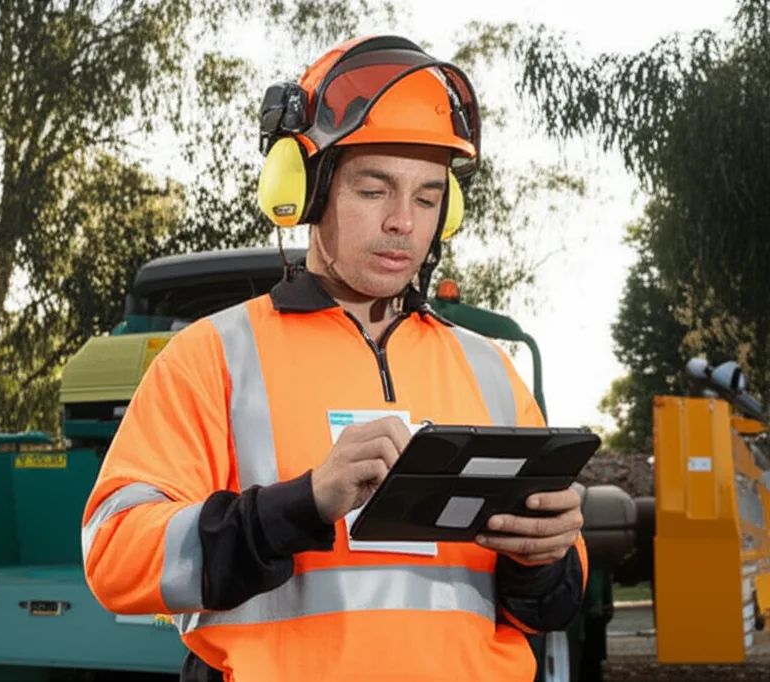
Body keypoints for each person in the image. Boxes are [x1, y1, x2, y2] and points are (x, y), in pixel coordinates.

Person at [80, 34, 588, 682]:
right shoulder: (211, 358)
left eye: (428, 197)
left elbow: (549, 606)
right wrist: (300, 505)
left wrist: (543, 559)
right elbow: (114, 555)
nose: (404, 221)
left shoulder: (491, 370)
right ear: (306, 190)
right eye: (375, 190)